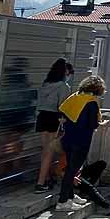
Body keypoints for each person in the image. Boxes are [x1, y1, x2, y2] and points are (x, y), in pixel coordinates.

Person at [57, 75, 108, 211]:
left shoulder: (75, 97)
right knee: (72, 170)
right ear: (98, 89)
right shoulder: (91, 103)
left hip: (67, 138)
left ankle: (70, 196)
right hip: (81, 141)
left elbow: (62, 112)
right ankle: (62, 201)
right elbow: (92, 124)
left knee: (70, 168)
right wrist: (101, 124)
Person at [34, 58, 73, 193]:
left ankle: (47, 178)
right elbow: (63, 106)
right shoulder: (63, 86)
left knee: (45, 150)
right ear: (65, 72)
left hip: (42, 117)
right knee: (50, 152)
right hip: (53, 118)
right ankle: (40, 183)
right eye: (68, 72)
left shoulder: (45, 84)